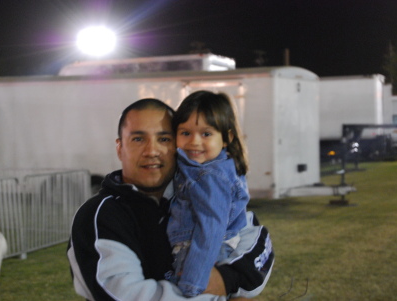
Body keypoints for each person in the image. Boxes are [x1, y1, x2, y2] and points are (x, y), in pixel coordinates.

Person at [67, 98, 274, 301]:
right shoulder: (99, 215)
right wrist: (215, 294)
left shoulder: (193, 193)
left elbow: (258, 242)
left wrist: (226, 278)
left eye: (164, 139)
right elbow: (125, 294)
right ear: (120, 147)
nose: (152, 151)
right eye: (138, 139)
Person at [167, 91, 253, 297]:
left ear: (226, 138)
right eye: (185, 133)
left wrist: (192, 283)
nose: (194, 142)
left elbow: (211, 228)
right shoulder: (218, 166)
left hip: (199, 254)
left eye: (206, 134)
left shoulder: (209, 176)